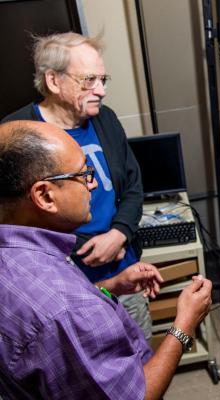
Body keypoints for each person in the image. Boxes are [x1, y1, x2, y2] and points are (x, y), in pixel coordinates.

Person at [0, 120, 212, 399]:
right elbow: (138, 395)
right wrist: (185, 324)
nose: (94, 183)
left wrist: (109, 286)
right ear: (45, 195)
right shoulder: (67, 309)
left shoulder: (21, 257)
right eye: (83, 174)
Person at [2, 32, 152, 338]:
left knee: (138, 353)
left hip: (122, 267)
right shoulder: (16, 136)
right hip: (62, 286)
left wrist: (119, 232)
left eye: (103, 79)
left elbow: (134, 185)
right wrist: (85, 246)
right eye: (88, 80)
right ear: (54, 82)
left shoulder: (105, 120)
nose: (101, 90)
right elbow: (11, 221)